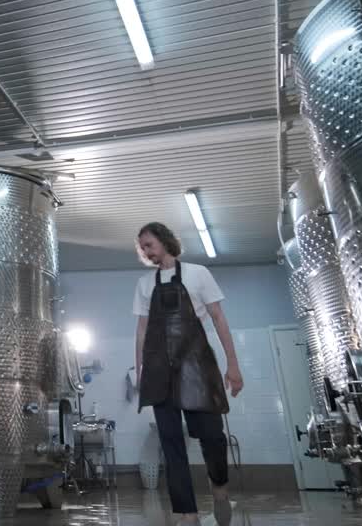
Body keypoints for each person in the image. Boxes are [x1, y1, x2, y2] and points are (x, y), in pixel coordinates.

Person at [134, 222, 243, 526]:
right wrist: (141, 371)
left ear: (165, 241)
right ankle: (187, 512)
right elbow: (141, 331)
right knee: (171, 443)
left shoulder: (197, 273)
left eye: (149, 244)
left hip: (196, 365)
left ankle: (219, 485)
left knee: (212, 436)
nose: (146, 251)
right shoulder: (144, 284)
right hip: (158, 372)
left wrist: (232, 365)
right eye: (142, 247)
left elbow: (219, 318)